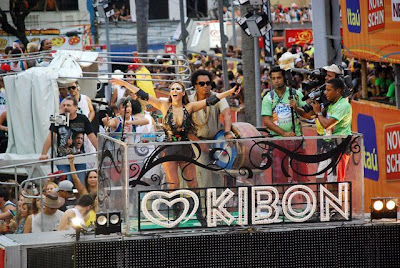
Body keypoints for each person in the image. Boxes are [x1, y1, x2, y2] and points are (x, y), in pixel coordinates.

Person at [110, 78, 240, 224]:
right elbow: (142, 94)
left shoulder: (189, 107)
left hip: (185, 148)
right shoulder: (163, 104)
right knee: (174, 184)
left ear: (183, 92)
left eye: (178, 89)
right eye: (172, 88)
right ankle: (176, 217)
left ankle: (200, 216)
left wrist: (230, 91)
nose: (174, 91)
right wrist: (124, 84)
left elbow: (211, 100)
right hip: (169, 149)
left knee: (193, 182)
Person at [261, 66, 308, 183]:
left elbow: (307, 114)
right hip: (278, 141)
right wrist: (284, 133)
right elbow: (266, 121)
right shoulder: (268, 98)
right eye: (273, 78)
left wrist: (296, 108)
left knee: (301, 173)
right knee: (279, 175)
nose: (276, 81)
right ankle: (280, 199)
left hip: (296, 138)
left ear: (285, 78)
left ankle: (303, 198)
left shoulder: (296, 94)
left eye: (279, 78)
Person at [187, 70, 234, 188]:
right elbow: (184, 127)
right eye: (201, 84)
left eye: (208, 83)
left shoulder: (217, 97)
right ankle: (204, 204)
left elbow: (227, 114)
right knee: (203, 175)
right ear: (195, 86)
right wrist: (199, 143)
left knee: (218, 174)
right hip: (195, 141)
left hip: (216, 141)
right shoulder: (189, 100)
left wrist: (228, 132)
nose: (206, 86)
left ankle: (217, 205)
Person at [310, 78, 352, 181]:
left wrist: (319, 112)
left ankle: (336, 198)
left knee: (335, 180)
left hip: (339, 146)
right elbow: (308, 115)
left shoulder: (343, 105)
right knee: (319, 177)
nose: (325, 93)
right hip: (328, 146)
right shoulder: (331, 104)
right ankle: (322, 197)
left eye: (328, 90)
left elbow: (327, 125)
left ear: (337, 91)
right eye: (325, 90)